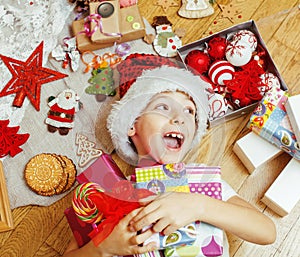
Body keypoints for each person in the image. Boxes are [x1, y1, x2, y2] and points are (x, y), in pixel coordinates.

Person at [63, 57, 276, 257]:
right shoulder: (108, 190)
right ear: (131, 124)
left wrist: (198, 206)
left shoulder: (202, 181)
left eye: (189, 112)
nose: (179, 118)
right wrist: (103, 248)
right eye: (163, 107)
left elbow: (266, 231)